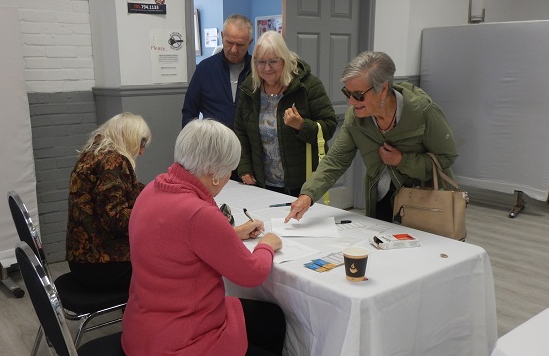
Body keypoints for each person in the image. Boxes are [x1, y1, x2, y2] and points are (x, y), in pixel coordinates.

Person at [121, 119, 296, 356]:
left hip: (144, 329)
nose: (229, 178)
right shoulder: (198, 213)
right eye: (229, 172)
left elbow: (181, 243)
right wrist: (266, 244)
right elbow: (251, 274)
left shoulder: (153, 189)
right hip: (180, 346)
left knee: (271, 318)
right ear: (215, 174)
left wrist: (232, 234)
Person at [285, 51, 458, 223]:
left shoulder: (422, 112)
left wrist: (402, 161)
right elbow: (335, 161)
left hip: (425, 205)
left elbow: (446, 157)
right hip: (381, 200)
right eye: (348, 93)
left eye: (359, 95)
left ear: (383, 89)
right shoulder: (355, 119)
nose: (351, 102)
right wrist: (307, 195)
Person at [235, 30, 337, 197]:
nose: (266, 68)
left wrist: (302, 126)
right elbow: (241, 132)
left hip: (302, 184)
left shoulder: (308, 85)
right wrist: (244, 167)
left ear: (285, 59)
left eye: (273, 62)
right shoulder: (250, 89)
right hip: (262, 183)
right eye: (260, 62)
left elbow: (329, 126)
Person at [65, 112, 151, 291]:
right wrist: (155, 212)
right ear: (129, 137)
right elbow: (116, 219)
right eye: (142, 143)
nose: (142, 151)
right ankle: (155, 315)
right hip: (103, 265)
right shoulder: (113, 161)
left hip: (83, 261)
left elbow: (126, 189)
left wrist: (157, 190)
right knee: (170, 260)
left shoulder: (93, 154)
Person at [182, 14, 254, 129]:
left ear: (250, 42)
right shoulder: (205, 69)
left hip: (248, 144)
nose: (234, 50)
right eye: (229, 43)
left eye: (240, 45)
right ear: (222, 36)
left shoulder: (257, 69)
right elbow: (189, 111)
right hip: (214, 141)